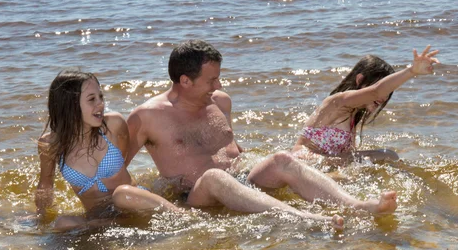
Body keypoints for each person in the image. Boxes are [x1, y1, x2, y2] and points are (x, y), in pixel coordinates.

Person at [126, 40, 396, 228]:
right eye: (211, 80)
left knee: (281, 159)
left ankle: (359, 206)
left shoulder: (220, 102)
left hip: (242, 181)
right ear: (185, 81)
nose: (219, 85)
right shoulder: (147, 117)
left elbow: (230, 148)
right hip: (198, 196)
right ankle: (305, 218)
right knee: (214, 176)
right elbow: (116, 173)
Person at [34, 69, 183, 232]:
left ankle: (182, 217)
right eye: (92, 99)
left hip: (133, 204)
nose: (101, 104)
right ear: (70, 104)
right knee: (63, 223)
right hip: (98, 218)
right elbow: (45, 186)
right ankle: (108, 227)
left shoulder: (114, 125)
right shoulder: (50, 143)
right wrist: (40, 216)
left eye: (101, 97)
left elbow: (124, 161)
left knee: (122, 193)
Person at [292, 46, 440, 163]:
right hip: (303, 160)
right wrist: (411, 71)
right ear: (360, 79)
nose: (384, 97)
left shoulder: (353, 115)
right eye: (384, 89)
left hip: (325, 162)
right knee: (387, 156)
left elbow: (347, 155)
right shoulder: (338, 101)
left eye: (389, 92)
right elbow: (376, 92)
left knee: (387, 158)